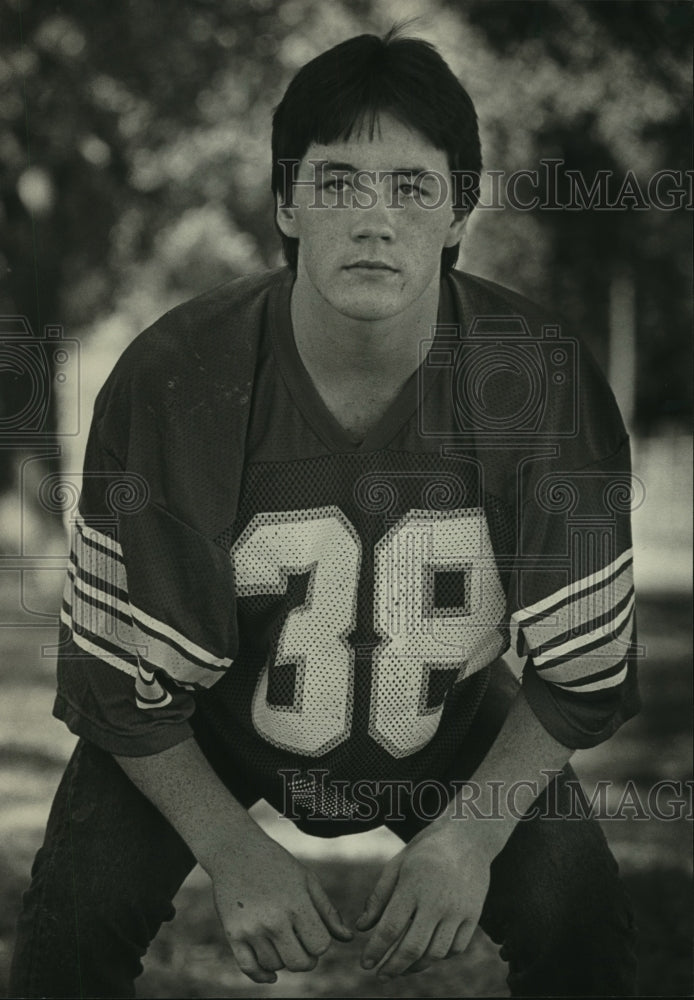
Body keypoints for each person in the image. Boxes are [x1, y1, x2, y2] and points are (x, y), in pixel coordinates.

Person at [10, 27, 640, 998]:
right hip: (207, 717)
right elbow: (118, 688)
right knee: (74, 916)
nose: (374, 219)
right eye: (338, 182)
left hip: (450, 716)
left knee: (580, 915)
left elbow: (578, 675)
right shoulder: (180, 375)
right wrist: (229, 845)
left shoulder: (538, 377)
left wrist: (468, 836)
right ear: (285, 202)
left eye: (411, 186)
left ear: (459, 209)